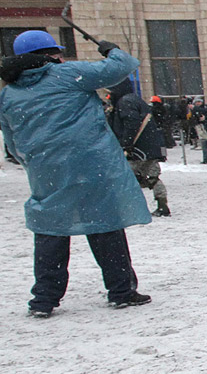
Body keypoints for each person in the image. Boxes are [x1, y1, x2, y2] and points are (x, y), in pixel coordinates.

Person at [0, 30, 152, 316]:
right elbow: (122, 67)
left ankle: (44, 299)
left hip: (46, 170)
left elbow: (12, 142)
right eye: (57, 52)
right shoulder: (68, 74)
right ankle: (121, 290)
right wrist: (112, 50)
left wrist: (35, 162)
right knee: (105, 224)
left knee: (50, 231)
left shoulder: (9, 93)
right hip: (90, 163)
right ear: (48, 55)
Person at [107, 79, 170, 217]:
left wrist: (126, 144)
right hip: (149, 146)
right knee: (153, 177)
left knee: (126, 177)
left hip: (137, 148)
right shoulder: (135, 100)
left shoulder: (125, 102)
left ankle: (129, 208)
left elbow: (131, 123)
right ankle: (162, 205)